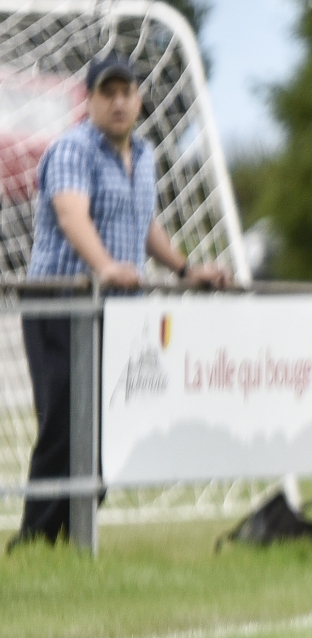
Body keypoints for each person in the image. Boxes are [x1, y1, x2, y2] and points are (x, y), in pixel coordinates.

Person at [10, 55, 227, 550]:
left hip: (118, 313)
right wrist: (105, 266)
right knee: (64, 423)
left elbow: (145, 222)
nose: (117, 102)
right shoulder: (71, 150)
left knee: (116, 428)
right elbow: (72, 215)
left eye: (125, 92)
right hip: (60, 306)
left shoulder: (145, 154)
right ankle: (36, 541)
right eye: (106, 93)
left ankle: (72, 533)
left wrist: (184, 268)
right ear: (89, 101)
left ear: (139, 98)